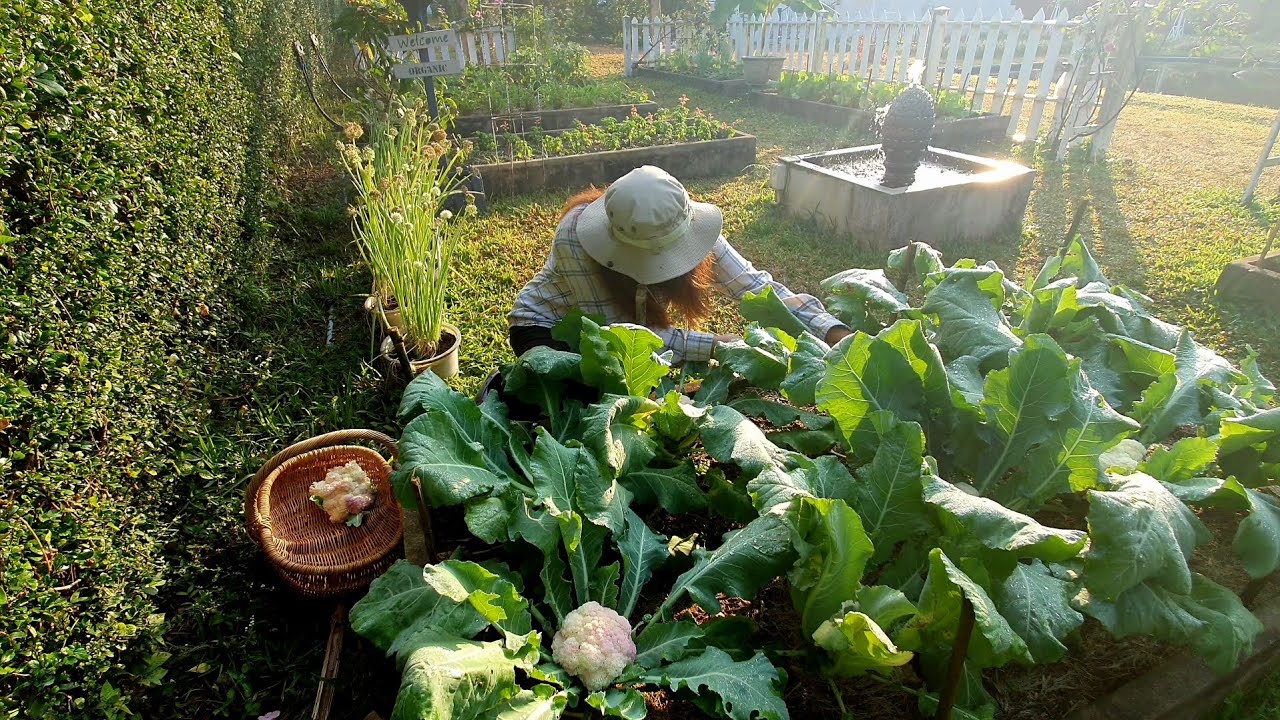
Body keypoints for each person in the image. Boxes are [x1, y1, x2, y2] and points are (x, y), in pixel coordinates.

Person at [508, 165, 852, 363]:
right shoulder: (576, 237)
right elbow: (623, 337)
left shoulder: (683, 220)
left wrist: (832, 332)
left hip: (610, 333)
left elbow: (756, 287)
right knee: (583, 402)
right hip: (547, 328)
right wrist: (723, 345)